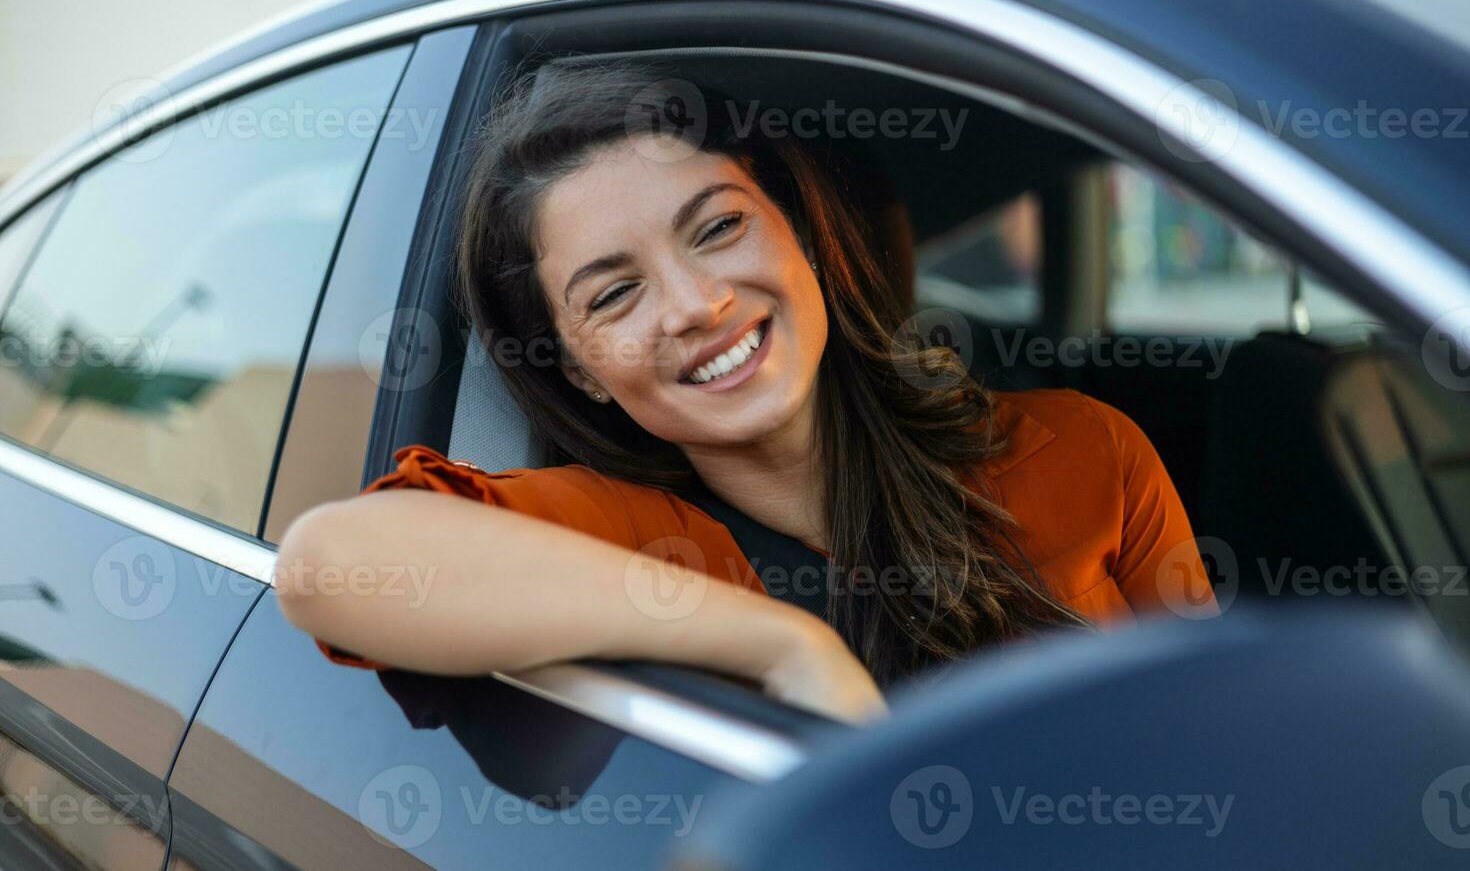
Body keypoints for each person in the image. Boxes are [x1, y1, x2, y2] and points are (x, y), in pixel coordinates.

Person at [274, 61, 1218, 725]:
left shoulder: (1082, 449)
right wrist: (784, 646)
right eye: (615, 293)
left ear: (797, 229)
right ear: (576, 368)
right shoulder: (629, 534)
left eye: (718, 226)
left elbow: (1226, 743)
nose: (697, 303)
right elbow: (330, 563)